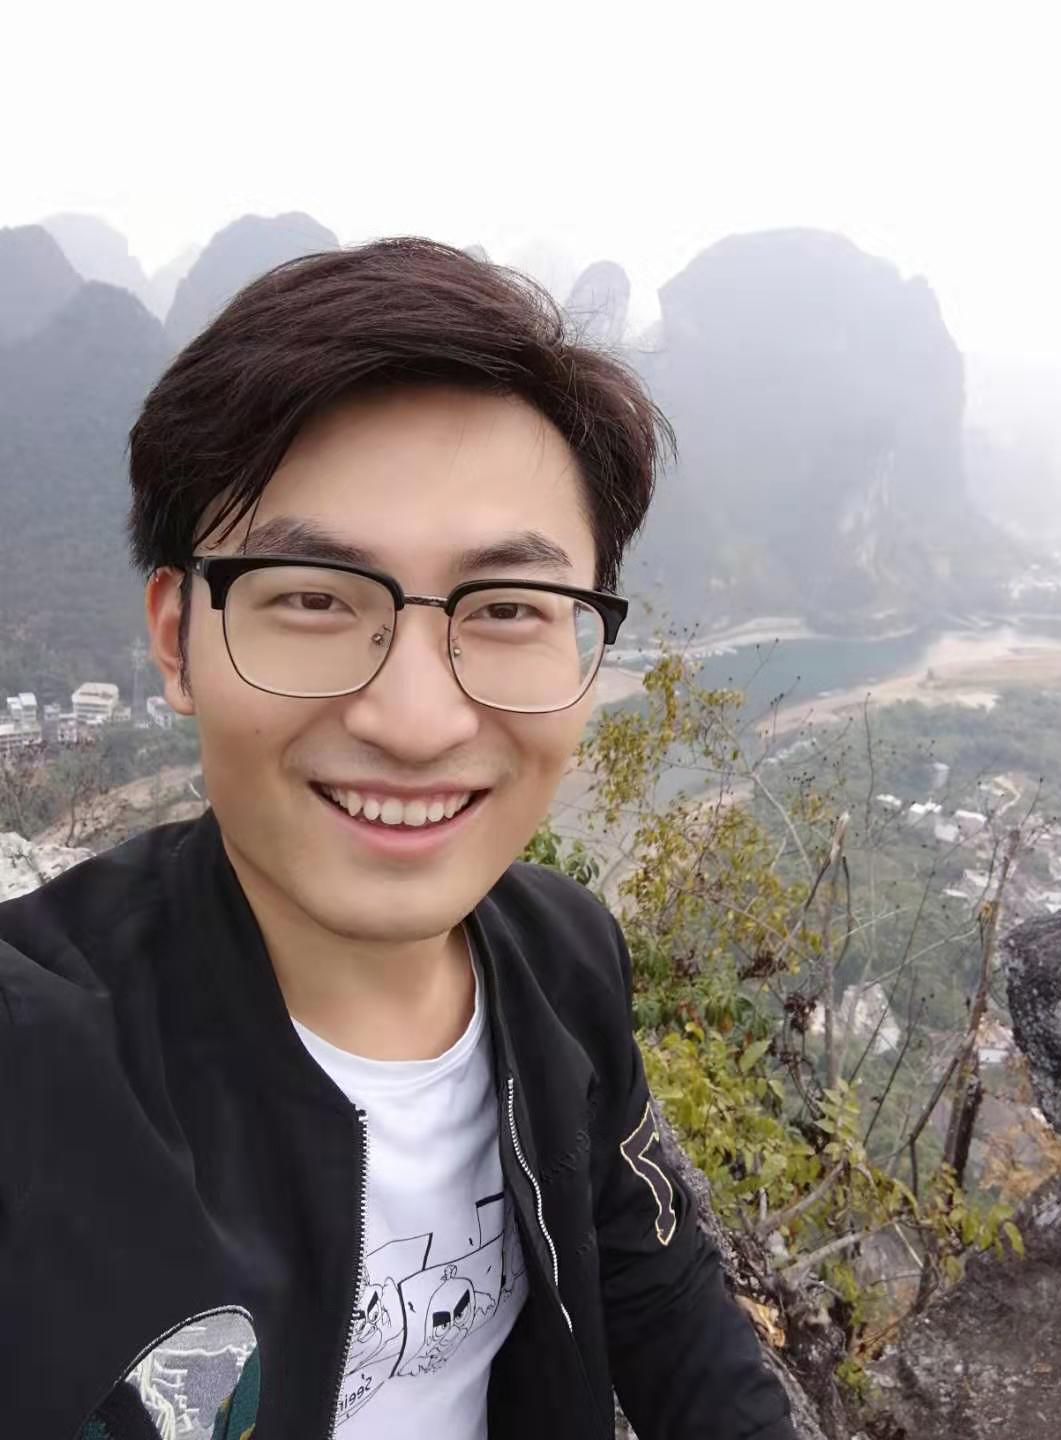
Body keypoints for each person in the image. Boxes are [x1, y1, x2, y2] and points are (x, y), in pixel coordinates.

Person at [0, 239, 797, 1440]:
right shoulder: (42, 1066)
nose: (418, 723)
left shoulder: (564, 959)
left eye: (511, 608)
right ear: (176, 639)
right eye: (314, 598)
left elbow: (663, 1295)